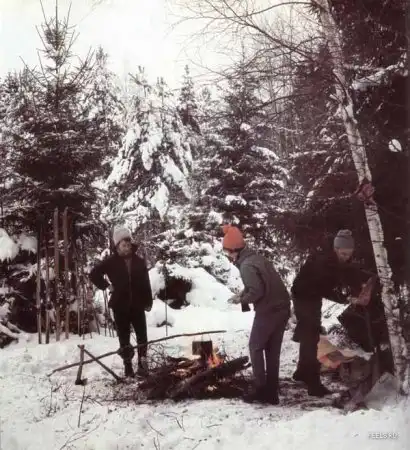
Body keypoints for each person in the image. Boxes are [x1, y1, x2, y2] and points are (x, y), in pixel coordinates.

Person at [291, 229, 373, 397]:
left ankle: (302, 371)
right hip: (304, 295)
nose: (346, 257)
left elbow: (348, 270)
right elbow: (325, 288)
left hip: (313, 296)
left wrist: (367, 278)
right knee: (310, 336)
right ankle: (313, 383)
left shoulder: (335, 259)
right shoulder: (323, 262)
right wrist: (348, 299)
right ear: (336, 249)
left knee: (309, 333)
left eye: (349, 254)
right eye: (343, 254)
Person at [223, 225, 291, 405]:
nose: (228, 256)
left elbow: (257, 292)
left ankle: (261, 389)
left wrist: (241, 300)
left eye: (228, 252)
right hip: (283, 307)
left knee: (255, 346)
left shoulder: (246, 265)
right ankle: (272, 392)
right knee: (272, 350)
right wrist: (242, 293)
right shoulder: (257, 258)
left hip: (269, 310)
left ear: (234, 250)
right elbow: (260, 284)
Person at [89, 227, 153, 378]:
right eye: (124, 245)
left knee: (142, 336)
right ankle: (128, 368)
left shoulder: (139, 261)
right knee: (124, 338)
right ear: (117, 246)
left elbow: (146, 282)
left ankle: (142, 366)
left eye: (128, 244)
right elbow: (94, 274)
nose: (127, 247)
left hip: (137, 305)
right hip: (120, 306)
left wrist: (148, 301)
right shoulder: (111, 262)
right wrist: (107, 285)